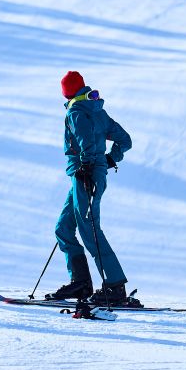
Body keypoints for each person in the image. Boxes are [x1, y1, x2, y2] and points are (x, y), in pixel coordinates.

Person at [47, 71, 136, 306]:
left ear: (66, 92)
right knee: (63, 228)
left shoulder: (75, 111)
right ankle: (80, 282)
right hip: (84, 176)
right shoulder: (97, 110)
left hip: (85, 176)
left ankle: (115, 286)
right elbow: (125, 140)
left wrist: (88, 165)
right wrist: (109, 159)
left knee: (89, 229)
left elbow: (85, 141)